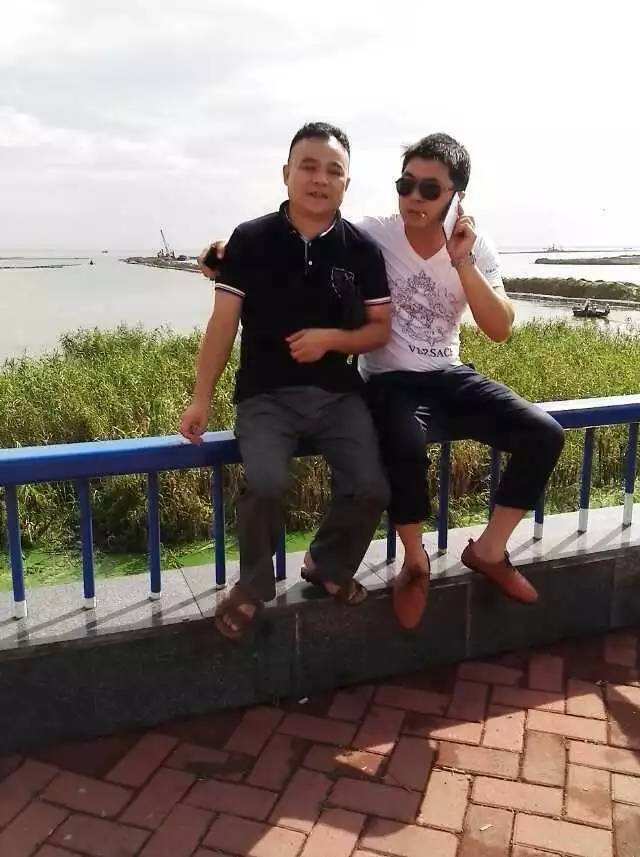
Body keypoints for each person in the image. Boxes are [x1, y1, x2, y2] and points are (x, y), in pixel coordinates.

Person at [179, 122, 392, 640]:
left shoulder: (362, 250)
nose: (320, 179)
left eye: (333, 171)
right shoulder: (250, 240)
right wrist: (200, 399)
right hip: (265, 395)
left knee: (371, 487)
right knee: (267, 483)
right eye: (308, 167)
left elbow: (379, 329)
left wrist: (329, 340)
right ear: (286, 173)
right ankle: (253, 585)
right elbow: (222, 324)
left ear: (346, 183)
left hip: (338, 396)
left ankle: (327, 564)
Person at [359, 133, 565, 628]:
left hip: (449, 373)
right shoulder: (373, 233)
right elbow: (306, 233)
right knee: (404, 442)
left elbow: (499, 328)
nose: (413, 197)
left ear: (457, 196)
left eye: (430, 189)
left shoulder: (476, 245)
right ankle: (415, 562)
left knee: (543, 433)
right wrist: (227, 253)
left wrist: (462, 261)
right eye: (406, 184)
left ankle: (489, 551)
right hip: (388, 378)